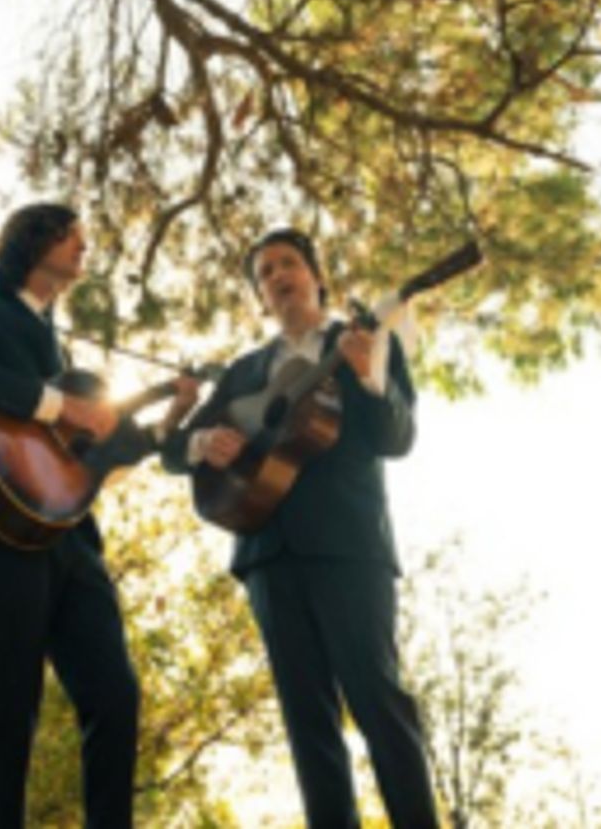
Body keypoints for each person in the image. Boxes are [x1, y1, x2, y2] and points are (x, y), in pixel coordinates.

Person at [162, 228, 440, 828]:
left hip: (350, 547)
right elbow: (171, 453)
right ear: (261, 297)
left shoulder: (368, 339)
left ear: (316, 276)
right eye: (265, 273)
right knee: (308, 725)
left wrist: (367, 376)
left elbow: (397, 438)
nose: (278, 276)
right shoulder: (245, 373)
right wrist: (201, 440)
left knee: (377, 699)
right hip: (267, 553)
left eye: (288, 263)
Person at [0, 202, 197, 828]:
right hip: (0, 535)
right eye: (72, 235)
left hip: (73, 543)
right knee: (9, 708)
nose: (85, 245)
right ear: (33, 240)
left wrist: (171, 418)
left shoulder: (58, 338)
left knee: (115, 694)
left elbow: (110, 446)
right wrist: (64, 408)